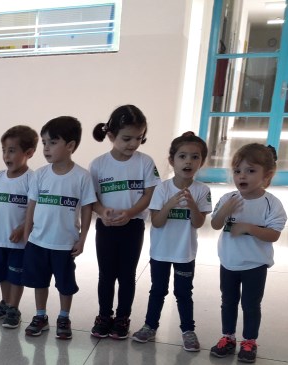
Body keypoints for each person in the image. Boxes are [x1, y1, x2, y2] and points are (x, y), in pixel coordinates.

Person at [132, 132, 212, 351]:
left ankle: (188, 330)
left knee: (184, 293)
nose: (188, 161)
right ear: (172, 160)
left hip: (185, 253)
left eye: (195, 157)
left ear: (201, 162)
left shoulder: (202, 190)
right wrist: (170, 204)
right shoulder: (162, 188)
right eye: (182, 156)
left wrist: (192, 205)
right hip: (161, 252)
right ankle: (150, 326)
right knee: (158, 290)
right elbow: (157, 222)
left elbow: (198, 223)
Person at [209, 144, 286, 363]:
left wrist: (249, 228)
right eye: (237, 171)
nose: (242, 176)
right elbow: (215, 224)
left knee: (251, 304)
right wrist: (224, 211)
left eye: (250, 171)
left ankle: (249, 341)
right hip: (229, 262)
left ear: (266, 176)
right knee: (228, 301)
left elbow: (274, 235)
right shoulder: (228, 198)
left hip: (255, 265)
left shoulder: (272, 204)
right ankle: (228, 337)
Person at [89, 105, 160, 339]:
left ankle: (122, 318)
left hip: (133, 226)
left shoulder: (145, 162)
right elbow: (92, 198)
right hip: (106, 227)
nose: (133, 144)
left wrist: (130, 213)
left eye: (138, 138)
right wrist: (102, 212)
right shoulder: (98, 164)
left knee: (127, 275)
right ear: (111, 136)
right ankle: (104, 316)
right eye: (127, 138)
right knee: (106, 274)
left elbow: (149, 195)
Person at [22, 116, 95, 339]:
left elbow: (87, 209)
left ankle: (64, 317)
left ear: (70, 146)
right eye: (44, 142)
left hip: (64, 244)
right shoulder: (39, 175)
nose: (46, 148)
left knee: (65, 284)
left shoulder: (82, 176)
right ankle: (40, 316)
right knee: (39, 282)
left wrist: (82, 238)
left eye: (53, 143)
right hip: (38, 241)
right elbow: (31, 207)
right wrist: (27, 235)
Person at [0, 125, 37, 329]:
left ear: (29, 153)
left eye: (12, 150)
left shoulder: (32, 179)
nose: (6, 155)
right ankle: (5, 303)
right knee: (1, 273)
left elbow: (36, 209)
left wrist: (23, 228)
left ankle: (14, 307)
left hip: (19, 242)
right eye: (4, 150)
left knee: (16, 275)